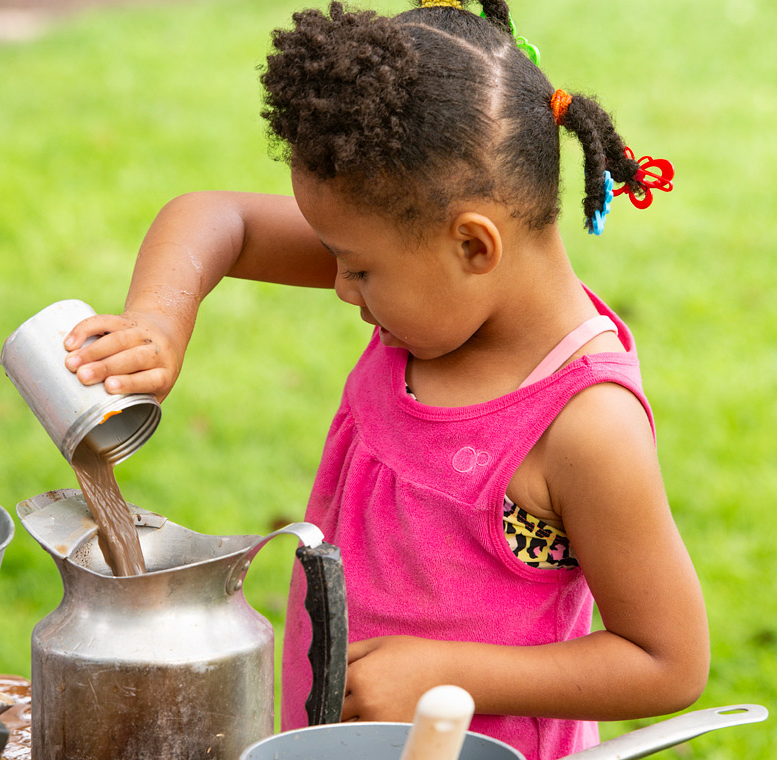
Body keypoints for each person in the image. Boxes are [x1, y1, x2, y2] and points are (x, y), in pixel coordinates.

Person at [62, 1, 709, 758]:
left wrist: (453, 676)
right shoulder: (427, 279)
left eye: (358, 267)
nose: (338, 285)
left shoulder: (584, 425)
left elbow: (668, 661)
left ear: (474, 244)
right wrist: (159, 322)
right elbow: (217, 219)